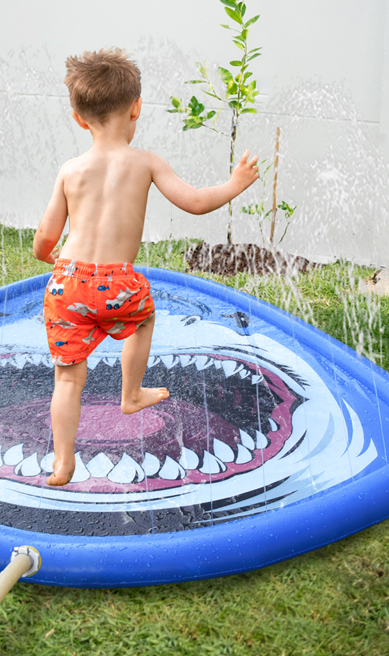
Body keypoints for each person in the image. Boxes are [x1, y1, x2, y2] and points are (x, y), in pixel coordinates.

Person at [33, 48, 259, 486]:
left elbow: (45, 238)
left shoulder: (70, 170)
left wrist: (52, 259)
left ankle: (63, 462)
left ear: (79, 119)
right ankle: (131, 394)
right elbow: (194, 203)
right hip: (117, 282)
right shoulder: (146, 162)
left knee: (67, 378)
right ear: (137, 108)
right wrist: (235, 184)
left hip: (68, 285)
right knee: (143, 320)